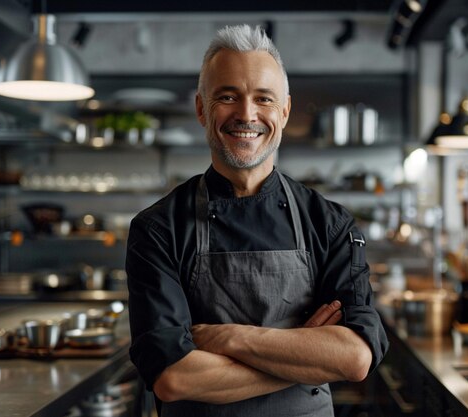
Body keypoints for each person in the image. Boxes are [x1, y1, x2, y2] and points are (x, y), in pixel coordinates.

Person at [126, 24, 389, 417]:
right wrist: (307, 355)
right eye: (227, 96)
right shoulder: (159, 229)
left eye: (263, 98)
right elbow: (175, 378)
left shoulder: (329, 224)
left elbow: (353, 358)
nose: (246, 114)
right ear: (201, 108)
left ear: (284, 111)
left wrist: (231, 338)